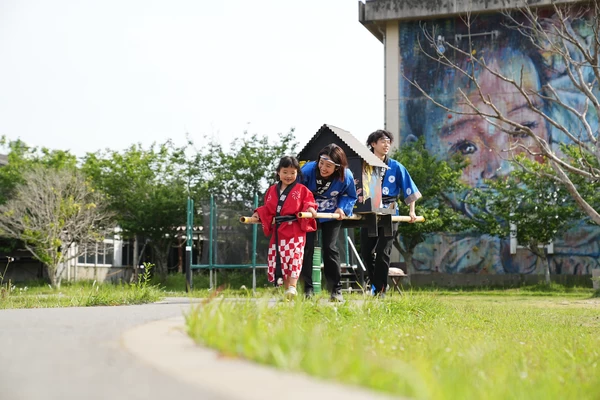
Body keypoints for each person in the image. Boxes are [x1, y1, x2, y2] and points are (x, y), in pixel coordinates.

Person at [360, 129, 422, 296]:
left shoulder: (396, 166)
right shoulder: (364, 165)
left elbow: (410, 188)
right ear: (373, 144)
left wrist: (412, 211)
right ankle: (377, 283)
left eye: (388, 142)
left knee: (383, 250)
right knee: (365, 251)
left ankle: (379, 289)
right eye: (382, 141)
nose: (386, 145)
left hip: (390, 211)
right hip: (369, 212)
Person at [252, 156, 317, 298]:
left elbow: (309, 202)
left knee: (295, 258)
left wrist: (311, 209)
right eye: (285, 172)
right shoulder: (271, 191)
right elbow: (268, 209)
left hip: (295, 230)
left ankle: (293, 286)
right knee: (282, 260)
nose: (288, 176)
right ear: (278, 172)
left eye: (292, 173)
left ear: (297, 174)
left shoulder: (302, 190)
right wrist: (259, 213)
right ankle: (288, 290)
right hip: (279, 231)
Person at [299, 144, 358, 301]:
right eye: (322, 163)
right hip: (308, 213)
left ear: (338, 167)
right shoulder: (306, 171)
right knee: (307, 247)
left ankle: (336, 290)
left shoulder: (346, 176)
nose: (323, 168)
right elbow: (297, 192)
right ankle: (307, 289)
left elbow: (350, 195)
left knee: (330, 248)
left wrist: (342, 209)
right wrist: (307, 207)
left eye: (329, 165)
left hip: (331, 213)